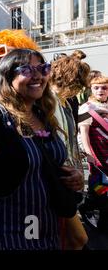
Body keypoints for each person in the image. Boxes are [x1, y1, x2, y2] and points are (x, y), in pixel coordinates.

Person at [0, 49, 83, 250]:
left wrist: (71, 176)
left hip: (45, 226)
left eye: (43, 68)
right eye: (27, 69)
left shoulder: (42, 113)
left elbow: (46, 162)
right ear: (7, 77)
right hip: (4, 229)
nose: (38, 75)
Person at [49, 55, 89, 249]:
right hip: (59, 177)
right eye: (78, 84)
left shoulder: (63, 101)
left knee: (66, 236)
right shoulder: (50, 101)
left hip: (67, 175)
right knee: (78, 238)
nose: (80, 89)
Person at [78, 76, 108, 234]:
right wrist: (90, 156)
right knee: (102, 191)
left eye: (104, 87)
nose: (101, 91)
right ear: (91, 89)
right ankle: (102, 225)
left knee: (99, 191)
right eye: (97, 87)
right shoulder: (86, 108)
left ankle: (87, 205)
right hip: (98, 157)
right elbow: (84, 134)